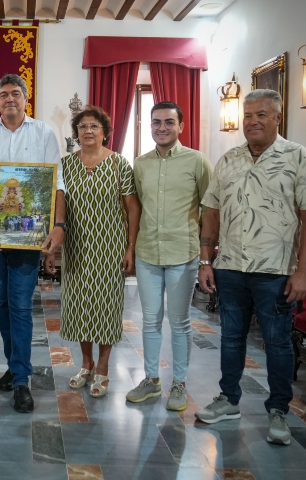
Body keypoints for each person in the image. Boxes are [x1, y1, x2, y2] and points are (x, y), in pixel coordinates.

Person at [196, 89, 306, 445]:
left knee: (277, 343)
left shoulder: (299, 157)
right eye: (248, 115)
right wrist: (206, 261)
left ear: (278, 118)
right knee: (231, 338)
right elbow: (211, 212)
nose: (253, 121)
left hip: (277, 270)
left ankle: (278, 410)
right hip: (231, 267)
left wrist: (304, 272)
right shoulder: (228, 160)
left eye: (262, 115)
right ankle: (229, 399)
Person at [0, 73, 66, 413]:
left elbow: (56, 183)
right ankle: (14, 364)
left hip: (28, 236)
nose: (10, 99)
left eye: (16, 94)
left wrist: (58, 226)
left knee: (21, 305)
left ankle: (22, 380)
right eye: (3, 94)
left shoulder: (43, 133)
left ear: (26, 98)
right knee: (4, 305)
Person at [125, 102, 213, 411]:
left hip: (182, 253)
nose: (161, 127)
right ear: (150, 126)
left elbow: (209, 210)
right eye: (156, 122)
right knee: (150, 321)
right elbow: (134, 208)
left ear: (181, 126)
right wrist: (132, 247)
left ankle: (179, 383)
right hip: (149, 251)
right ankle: (151, 380)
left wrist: (205, 258)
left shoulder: (197, 161)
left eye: (168, 122)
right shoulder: (141, 163)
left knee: (179, 322)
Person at [59, 106, 140, 398]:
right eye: (82, 127)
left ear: (105, 132)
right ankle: (86, 363)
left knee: (106, 307)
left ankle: (103, 365)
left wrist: (131, 246)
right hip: (77, 247)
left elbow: (132, 208)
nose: (88, 131)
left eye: (94, 126)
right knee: (79, 305)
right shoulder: (66, 165)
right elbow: (59, 207)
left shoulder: (119, 164)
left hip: (110, 247)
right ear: (76, 133)